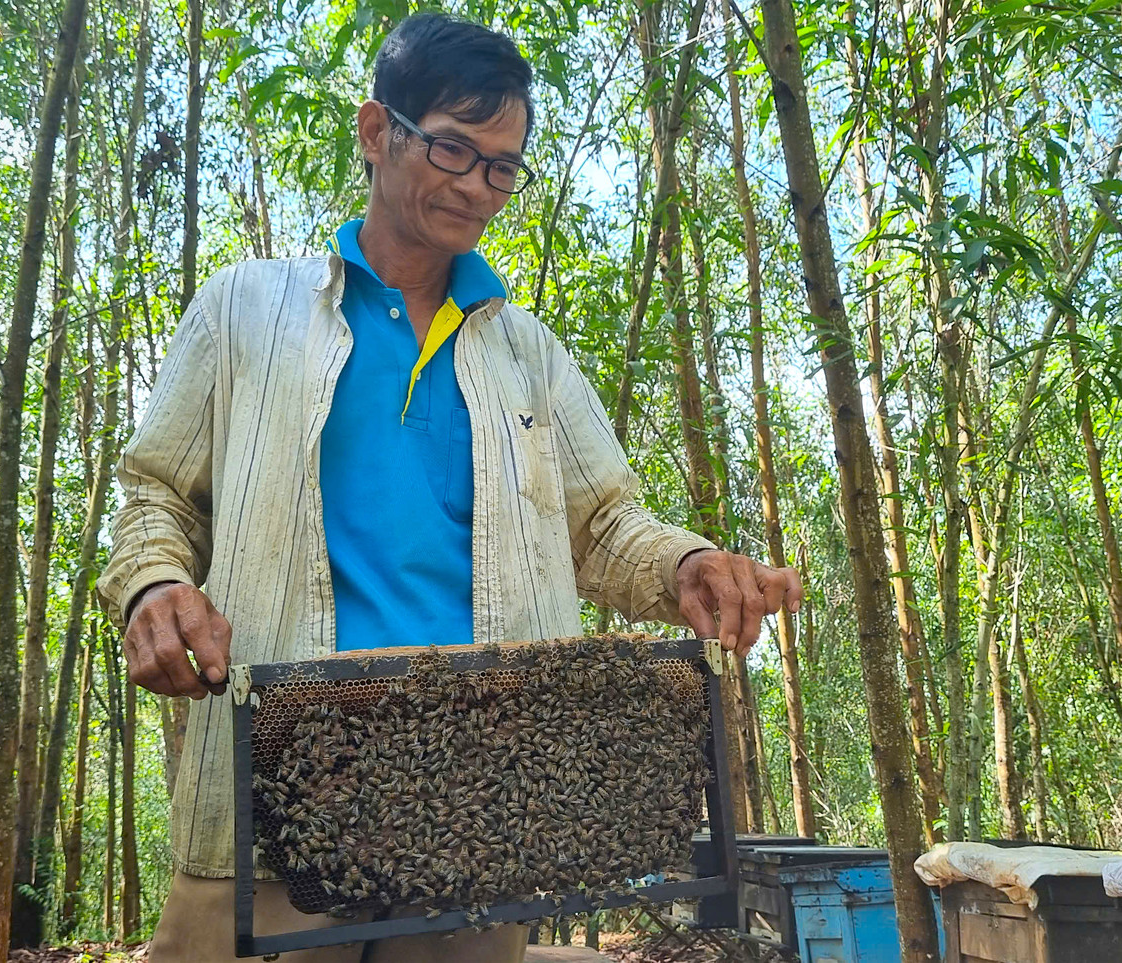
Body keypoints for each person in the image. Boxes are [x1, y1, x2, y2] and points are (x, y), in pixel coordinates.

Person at [96, 13, 802, 962]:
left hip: (482, 803)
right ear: (378, 132)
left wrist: (687, 564)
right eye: (454, 149)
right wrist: (153, 589)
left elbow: (604, 524)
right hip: (277, 797)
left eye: (502, 166)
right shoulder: (246, 309)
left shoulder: (528, 353)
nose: (476, 186)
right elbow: (155, 495)